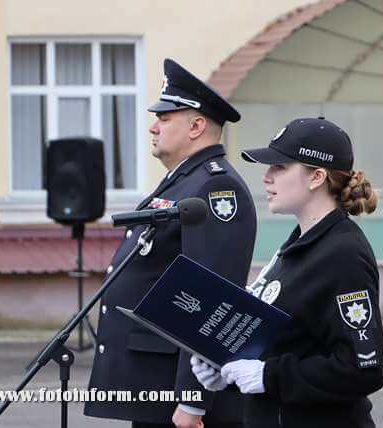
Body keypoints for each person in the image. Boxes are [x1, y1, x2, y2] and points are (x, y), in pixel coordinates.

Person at [84, 58, 257, 428]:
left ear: (196, 126)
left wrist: (192, 399)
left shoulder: (215, 187)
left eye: (164, 119)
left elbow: (214, 297)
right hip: (153, 381)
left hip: (177, 391)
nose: (152, 127)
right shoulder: (183, 182)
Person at [190, 117, 383, 428]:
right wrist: (226, 369)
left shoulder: (342, 253)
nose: (266, 177)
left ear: (316, 177)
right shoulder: (299, 244)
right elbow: (290, 342)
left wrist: (268, 376)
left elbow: (364, 367)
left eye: (280, 167)